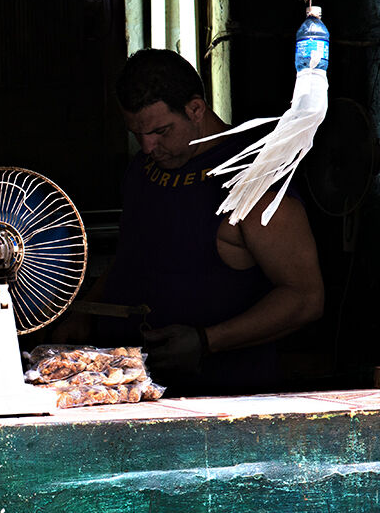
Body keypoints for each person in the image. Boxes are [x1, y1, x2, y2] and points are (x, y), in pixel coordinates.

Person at [57, 48, 325, 394]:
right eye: (137, 134)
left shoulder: (252, 175)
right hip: (126, 391)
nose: (148, 146)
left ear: (196, 109)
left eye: (160, 131)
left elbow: (305, 297)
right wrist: (87, 310)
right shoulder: (142, 170)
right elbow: (134, 255)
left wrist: (206, 341)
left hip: (224, 401)